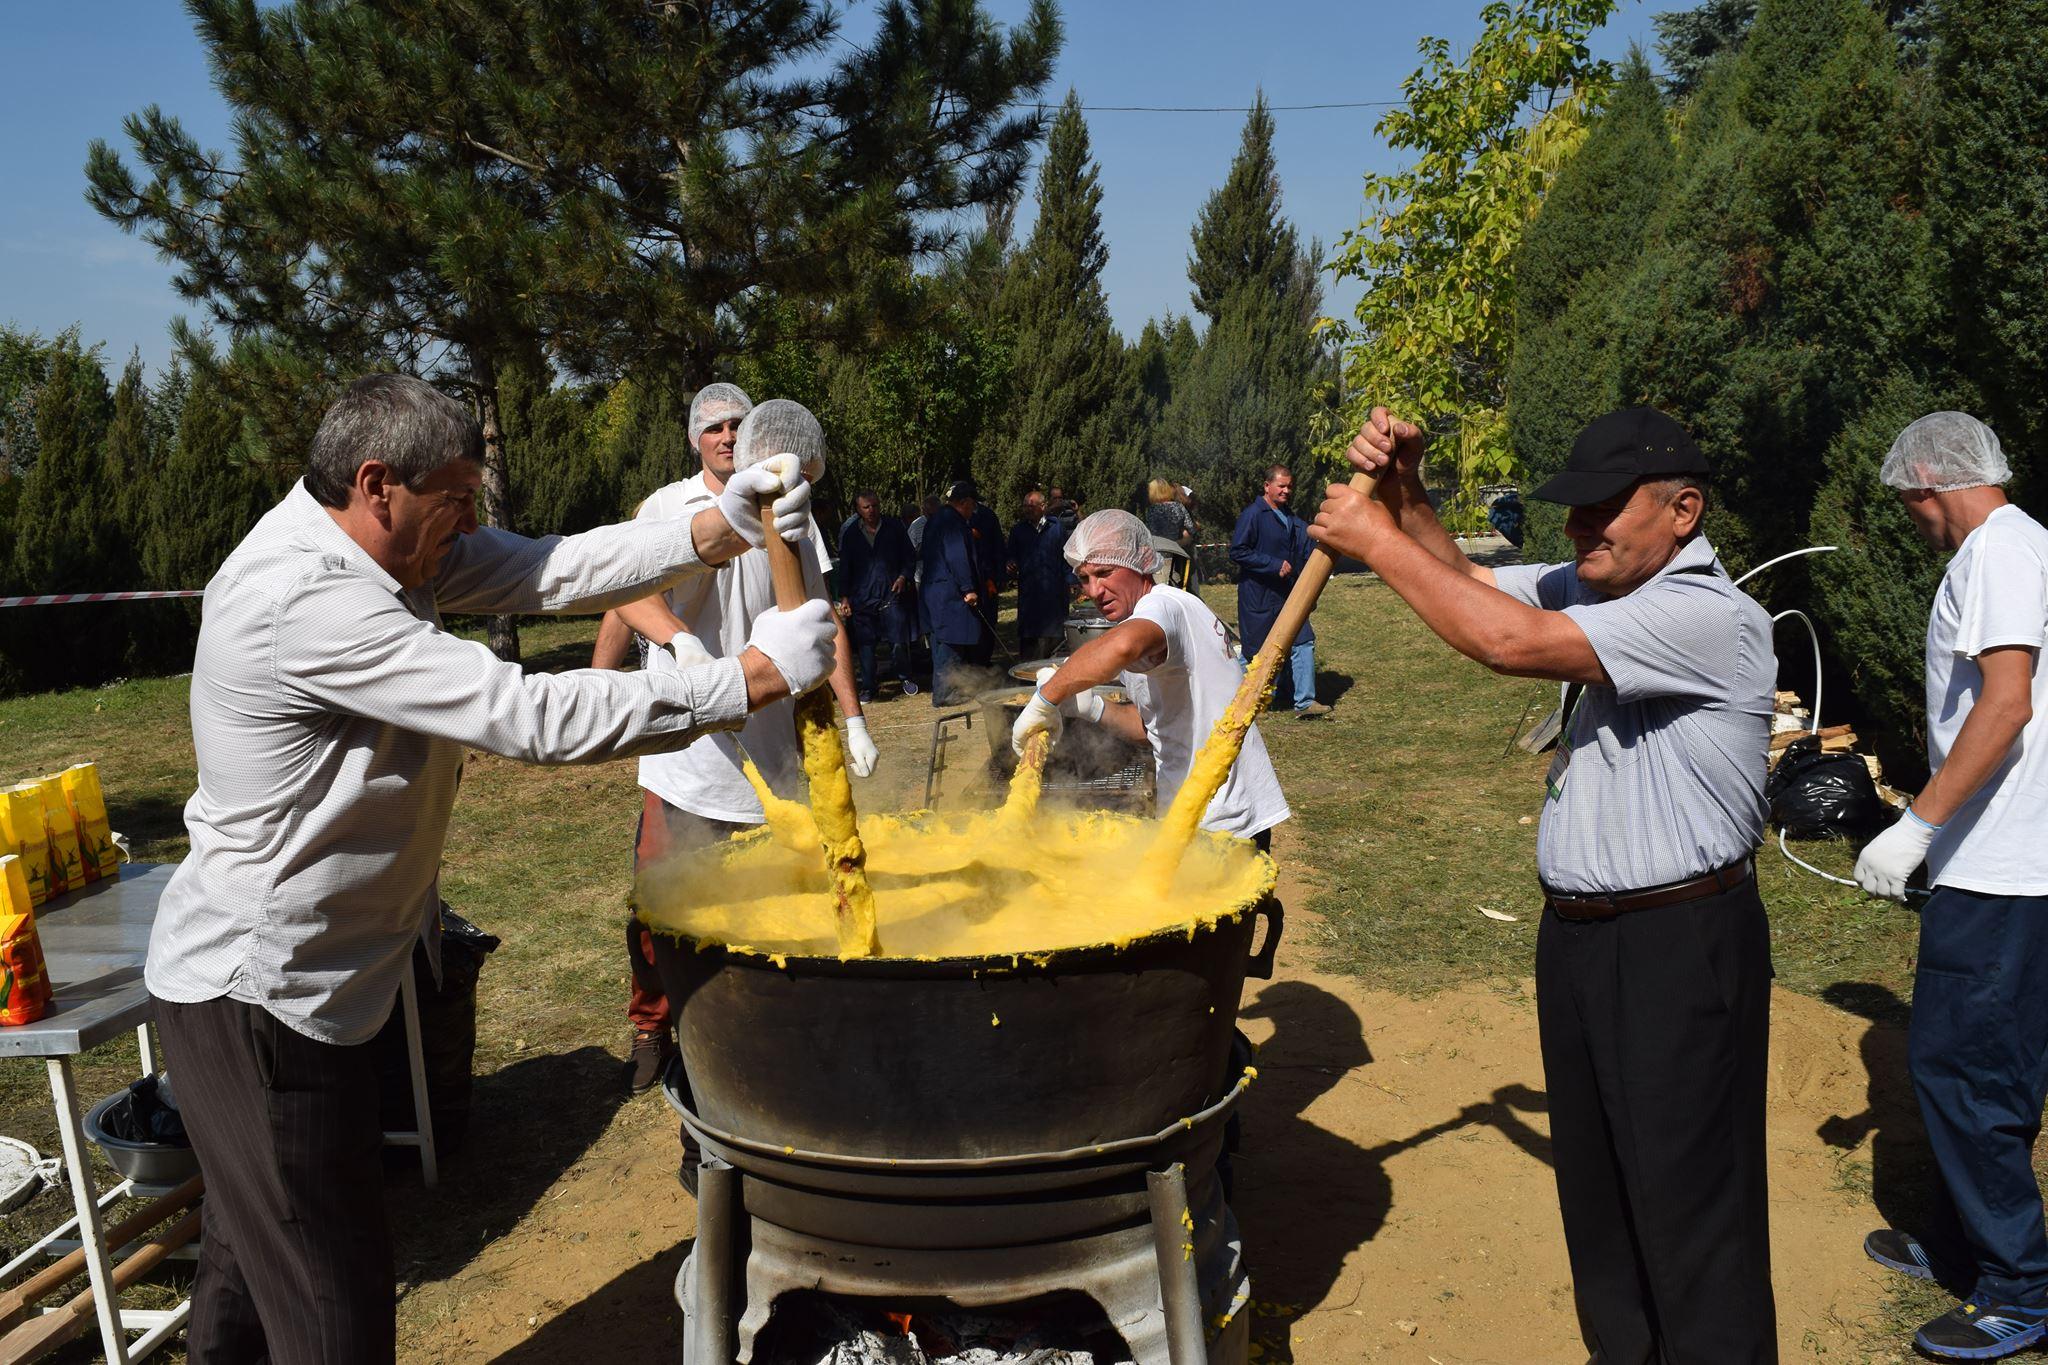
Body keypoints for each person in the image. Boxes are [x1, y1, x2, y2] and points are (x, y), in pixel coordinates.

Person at [143, 374, 838, 1363]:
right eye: (454, 503)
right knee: (328, 1301)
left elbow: (551, 568)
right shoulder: (307, 597)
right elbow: (528, 716)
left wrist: (710, 529)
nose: (466, 525)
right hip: (263, 1001)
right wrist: (751, 677)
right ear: (379, 484)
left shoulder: (381, 544)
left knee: (250, 1271)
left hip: (313, 991)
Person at [1312, 405, 1778, 1364]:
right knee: (1601, 1209)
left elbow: (1510, 642)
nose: (1576, 531)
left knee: (1694, 1222)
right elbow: (1474, 584)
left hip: (1678, 950)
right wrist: (1404, 493)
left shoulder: (1706, 614)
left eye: (1602, 510)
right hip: (1580, 940)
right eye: (1570, 510)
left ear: (1682, 510)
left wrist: (1370, 538)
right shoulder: (1605, 584)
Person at [598, 394, 876, 1092]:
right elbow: (623, 589)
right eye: (713, 427)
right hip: (686, 756)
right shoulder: (668, 504)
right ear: (696, 439)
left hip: (772, 752)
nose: (726, 436)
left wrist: (854, 714)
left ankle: (752, 1032)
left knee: (768, 905)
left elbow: (820, 619)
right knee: (659, 906)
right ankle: (651, 1027)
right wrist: (678, 638)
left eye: (736, 425)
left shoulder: (791, 507)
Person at [1851, 413, 2048, 1361]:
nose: (1910, 518)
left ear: (1932, 478)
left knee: (1964, 1070)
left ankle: (2017, 1286)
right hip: (2000, 862)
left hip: (2005, 870)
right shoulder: (2013, 549)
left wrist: (1918, 825)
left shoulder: (1998, 555)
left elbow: (2007, 702)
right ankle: (1969, 1241)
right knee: (1981, 1061)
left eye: (1909, 501)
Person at [1010, 509, 1288, 850]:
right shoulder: (1145, 623)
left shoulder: (1165, 605)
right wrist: (1091, 707)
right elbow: (1150, 728)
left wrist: (1045, 699)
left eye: (1104, 572)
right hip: (1188, 817)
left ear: (1140, 561)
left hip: (1223, 820)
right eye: (1084, 578)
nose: (1094, 590)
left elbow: (1124, 645)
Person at [1230, 465, 1330, 718]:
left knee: (1303, 641)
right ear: (1267, 486)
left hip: (1289, 596)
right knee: (1256, 652)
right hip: (1259, 596)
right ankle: (1244, 703)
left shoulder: (1291, 518)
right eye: (1281, 486)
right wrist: (1272, 565)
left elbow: (1303, 549)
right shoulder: (1253, 514)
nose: (1286, 490)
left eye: (1289, 486)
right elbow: (1238, 551)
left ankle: (1305, 702)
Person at [837, 489, 918, 702]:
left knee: (898, 642)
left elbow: (910, 557)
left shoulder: (894, 527)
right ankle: (869, 687)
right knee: (866, 646)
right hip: (862, 599)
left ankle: (905, 678)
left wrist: (903, 577)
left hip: (891, 595)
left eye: (875, 505)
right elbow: (845, 568)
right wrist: (844, 597)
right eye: (866, 507)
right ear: (858, 509)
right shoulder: (851, 534)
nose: (872, 510)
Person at [921, 480, 992, 704]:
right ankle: (944, 694)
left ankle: (946, 690)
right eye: (973, 505)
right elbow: (957, 556)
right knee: (951, 642)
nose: (974, 510)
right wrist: (968, 588)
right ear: (966, 502)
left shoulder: (937, 519)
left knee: (942, 640)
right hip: (949, 594)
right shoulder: (953, 522)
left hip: (936, 591)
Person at [1007, 488, 1071, 661]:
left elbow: (1066, 558)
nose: (1027, 508)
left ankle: (1052, 679)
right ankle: (1027, 681)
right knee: (1029, 641)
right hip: (1029, 595)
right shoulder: (1018, 530)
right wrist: (1010, 564)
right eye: (1025, 505)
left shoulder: (1056, 529)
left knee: (1053, 640)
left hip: (1054, 594)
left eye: (1031, 505)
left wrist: (1072, 581)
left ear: (1043, 506)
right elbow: (1011, 555)